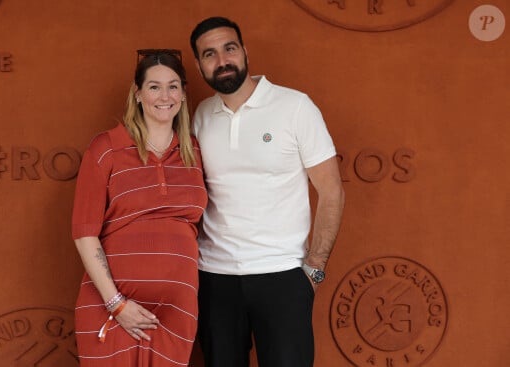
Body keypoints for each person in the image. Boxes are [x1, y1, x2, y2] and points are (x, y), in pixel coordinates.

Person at [189, 17, 345, 367]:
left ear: (245, 52)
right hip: (215, 279)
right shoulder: (201, 115)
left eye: (229, 48)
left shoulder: (295, 107)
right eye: (209, 54)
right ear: (199, 65)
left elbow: (331, 191)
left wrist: (314, 269)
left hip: (283, 277)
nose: (222, 60)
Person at [71, 49, 208, 367]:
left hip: (176, 311)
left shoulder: (194, 152)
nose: (165, 96)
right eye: (154, 86)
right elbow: (84, 234)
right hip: (112, 305)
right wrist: (116, 304)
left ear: (184, 95)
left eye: (173, 86)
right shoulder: (106, 148)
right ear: (138, 93)